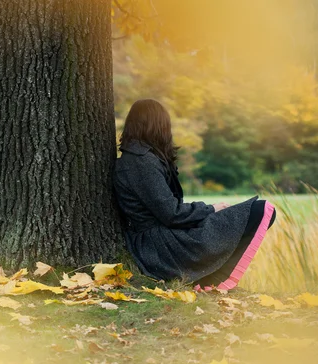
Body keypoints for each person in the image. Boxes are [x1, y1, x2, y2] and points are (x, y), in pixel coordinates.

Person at [113, 99, 276, 291]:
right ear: (157, 125)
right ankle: (214, 281)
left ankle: (210, 279)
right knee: (261, 209)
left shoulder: (140, 158)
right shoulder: (141, 162)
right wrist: (210, 209)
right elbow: (171, 213)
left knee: (249, 213)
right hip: (158, 246)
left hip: (161, 239)